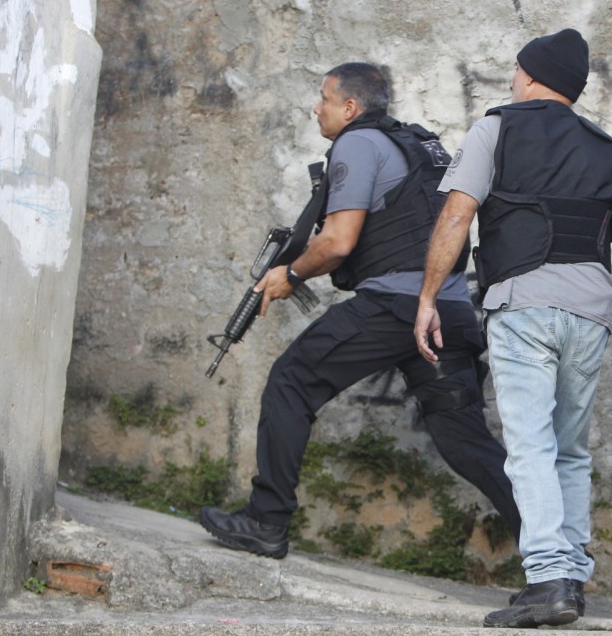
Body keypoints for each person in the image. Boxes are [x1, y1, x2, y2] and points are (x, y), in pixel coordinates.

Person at [200, 62, 520, 558]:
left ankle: (266, 521)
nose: (316, 108)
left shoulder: (357, 143)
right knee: (465, 440)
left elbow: (337, 242)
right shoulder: (414, 145)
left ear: (350, 107)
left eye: (324, 99)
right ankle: (556, 553)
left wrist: (291, 275)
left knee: (291, 380)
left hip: (396, 308)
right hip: (449, 312)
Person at [413, 29, 612, 629]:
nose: (513, 78)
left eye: (517, 69)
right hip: (590, 314)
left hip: (523, 304)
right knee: (569, 450)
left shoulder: (496, 129)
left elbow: (456, 214)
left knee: (530, 445)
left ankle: (549, 579)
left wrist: (428, 297)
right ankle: (572, 579)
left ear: (530, 76)